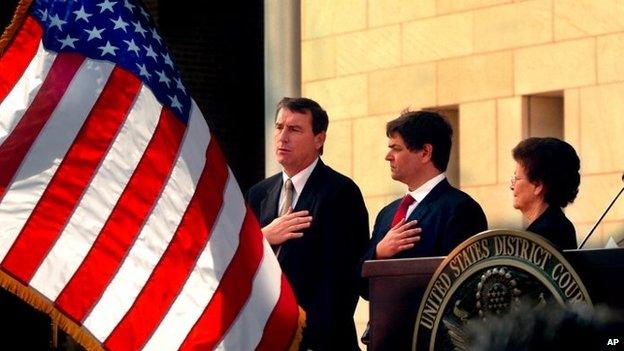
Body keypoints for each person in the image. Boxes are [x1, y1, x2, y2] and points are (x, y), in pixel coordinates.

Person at [246, 97, 369, 350]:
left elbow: (343, 280)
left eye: (294, 129)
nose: (283, 137)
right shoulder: (258, 194)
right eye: (279, 127)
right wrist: (262, 237)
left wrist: (307, 339)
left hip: (318, 342)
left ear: (319, 139)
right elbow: (241, 267)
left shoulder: (341, 193)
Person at [362, 110, 487, 284]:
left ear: (425, 152)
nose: (388, 156)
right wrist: (379, 252)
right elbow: (362, 287)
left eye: (396, 149)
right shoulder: (387, 213)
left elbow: (462, 284)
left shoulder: (461, 210)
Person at [510, 137, 580, 250]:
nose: (512, 186)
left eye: (516, 179)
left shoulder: (541, 236)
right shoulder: (559, 226)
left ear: (538, 186)